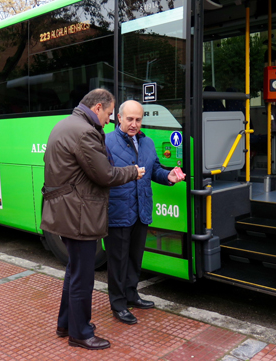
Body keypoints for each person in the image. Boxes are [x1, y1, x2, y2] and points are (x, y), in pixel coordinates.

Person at [40, 89, 144, 350]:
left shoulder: (65, 124)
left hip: (66, 211)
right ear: (98, 107)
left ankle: (65, 324)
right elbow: (105, 175)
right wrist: (132, 171)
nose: (109, 120)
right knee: (82, 277)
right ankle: (80, 333)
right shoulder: (84, 132)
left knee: (73, 272)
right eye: (109, 114)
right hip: (78, 214)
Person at [104, 100, 185, 325]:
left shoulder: (147, 143)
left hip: (141, 210)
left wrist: (168, 177)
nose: (134, 124)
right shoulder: (106, 141)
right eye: (129, 119)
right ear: (118, 118)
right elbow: (102, 174)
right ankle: (118, 304)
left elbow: (155, 169)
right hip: (118, 211)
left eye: (138, 119)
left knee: (134, 258)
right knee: (118, 261)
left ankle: (131, 295)